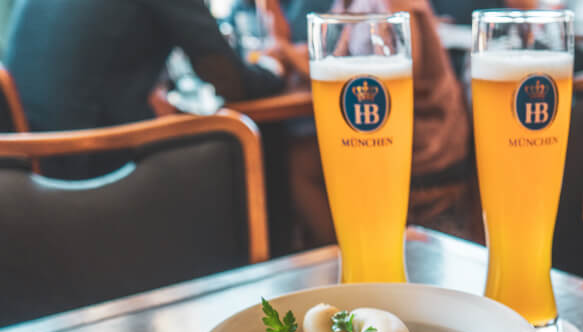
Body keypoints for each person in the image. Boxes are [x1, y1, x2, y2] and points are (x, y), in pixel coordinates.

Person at [264, 0, 472, 247]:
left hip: (424, 144)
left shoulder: (397, 5)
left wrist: (285, 51)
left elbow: (386, 76)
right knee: (300, 158)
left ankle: (348, 248)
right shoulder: (348, 6)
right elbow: (333, 58)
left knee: (301, 163)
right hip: (386, 132)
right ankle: (350, 251)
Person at [4, 0, 286, 175]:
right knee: (241, 153)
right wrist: (273, 65)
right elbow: (230, 80)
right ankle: (269, 261)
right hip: (90, 162)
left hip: (30, 166)